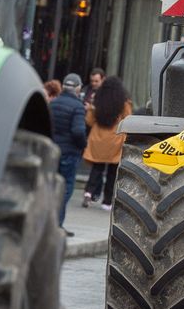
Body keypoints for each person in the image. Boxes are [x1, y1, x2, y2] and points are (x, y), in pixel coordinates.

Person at [81, 77, 132, 211]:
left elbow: (90, 121)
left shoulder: (97, 100)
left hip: (98, 137)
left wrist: (91, 109)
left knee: (97, 168)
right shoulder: (123, 102)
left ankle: (89, 192)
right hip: (115, 138)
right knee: (112, 171)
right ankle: (107, 201)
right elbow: (128, 119)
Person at [50, 74, 88, 232]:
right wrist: (83, 145)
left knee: (53, 186)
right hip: (69, 153)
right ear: (78, 88)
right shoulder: (77, 106)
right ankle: (56, 224)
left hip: (54, 151)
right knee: (66, 189)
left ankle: (52, 223)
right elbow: (78, 131)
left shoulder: (54, 103)